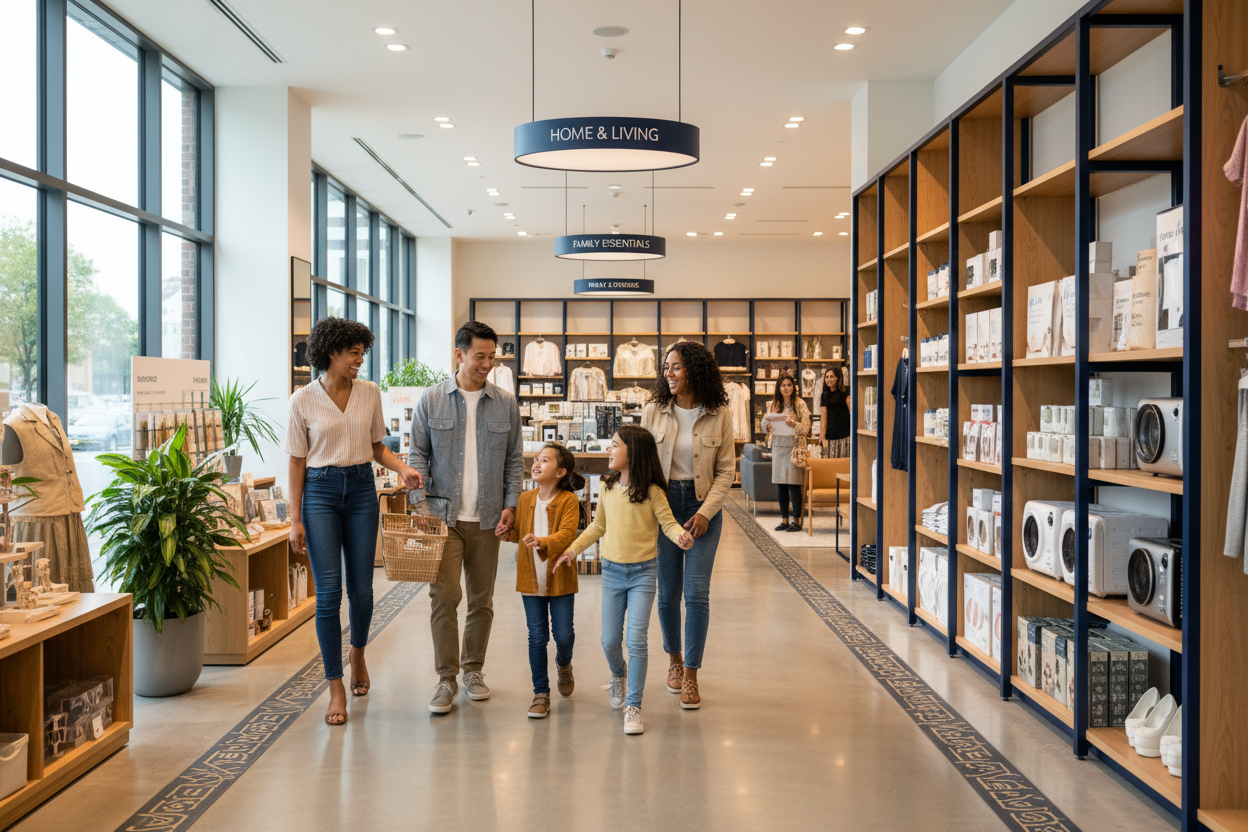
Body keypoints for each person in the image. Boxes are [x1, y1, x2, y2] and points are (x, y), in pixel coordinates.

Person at [286, 316, 423, 726]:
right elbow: (296, 462)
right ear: (332, 353)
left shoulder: (369, 392)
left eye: (363, 353)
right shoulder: (303, 400)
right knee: (329, 595)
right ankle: (334, 684)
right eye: (353, 353)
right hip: (320, 492)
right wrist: (295, 519)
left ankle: (358, 652)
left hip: (362, 489)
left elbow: (376, 446)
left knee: (362, 590)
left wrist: (403, 469)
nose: (360, 360)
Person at [409, 321, 524, 714]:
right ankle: (446, 678)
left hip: (489, 518)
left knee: (482, 599)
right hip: (443, 517)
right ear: (459, 354)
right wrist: (418, 502)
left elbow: (514, 462)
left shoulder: (506, 403)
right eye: (480, 356)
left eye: (493, 357)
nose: (487, 364)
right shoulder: (431, 400)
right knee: (444, 596)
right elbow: (417, 457)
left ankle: (473, 669)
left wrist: (511, 505)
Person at [552, 427, 693, 735]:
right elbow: (597, 526)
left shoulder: (654, 491)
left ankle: (634, 705)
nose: (608, 450)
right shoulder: (606, 486)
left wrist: (680, 535)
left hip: (644, 573)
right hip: (613, 573)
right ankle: (619, 673)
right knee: (609, 640)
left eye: (614, 445)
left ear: (633, 453)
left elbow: (668, 524)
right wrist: (572, 550)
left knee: (636, 640)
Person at [642, 341, 735, 710]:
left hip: (702, 507)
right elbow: (644, 464)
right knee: (667, 593)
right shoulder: (653, 411)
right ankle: (674, 662)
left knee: (696, 594)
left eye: (676, 367)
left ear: (694, 370)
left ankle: (692, 675)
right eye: (666, 367)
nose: (669, 373)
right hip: (664, 507)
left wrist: (704, 513)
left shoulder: (720, 414)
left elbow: (727, 471)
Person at [508, 443, 584, 719]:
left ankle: (564, 664)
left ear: (561, 472)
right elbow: (518, 533)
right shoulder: (525, 499)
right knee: (536, 637)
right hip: (530, 580)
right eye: (537, 459)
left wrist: (541, 541)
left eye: (545, 460)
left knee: (564, 635)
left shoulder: (569, 501)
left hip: (559, 579)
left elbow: (566, 535)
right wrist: (507, 531)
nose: (537, 463)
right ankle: (541, 693)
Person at [765, 374, 811, 532]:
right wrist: (768, 427)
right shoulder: (774, 405)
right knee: (781, 484)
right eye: (783, 385)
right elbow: (765, 426)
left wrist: (794, 424)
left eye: (789, 385)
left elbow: (806, 428)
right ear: (779, 388)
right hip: (778, 446)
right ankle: (784, 519)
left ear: (794, 387)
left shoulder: (800, 404)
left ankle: (797, 521)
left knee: (794, 484)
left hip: (794, 447)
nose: (786, 388)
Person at [820, 367, 851, 458]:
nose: (828, 379)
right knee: (830, 465)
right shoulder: (825, 394)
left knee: (844, 465)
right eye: (826, 377)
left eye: (831, 377)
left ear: (838, 378)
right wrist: (822, 437)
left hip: (845, 436)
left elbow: (852, 412)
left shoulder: (846, 391)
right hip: (830, 436)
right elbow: (823, 417)